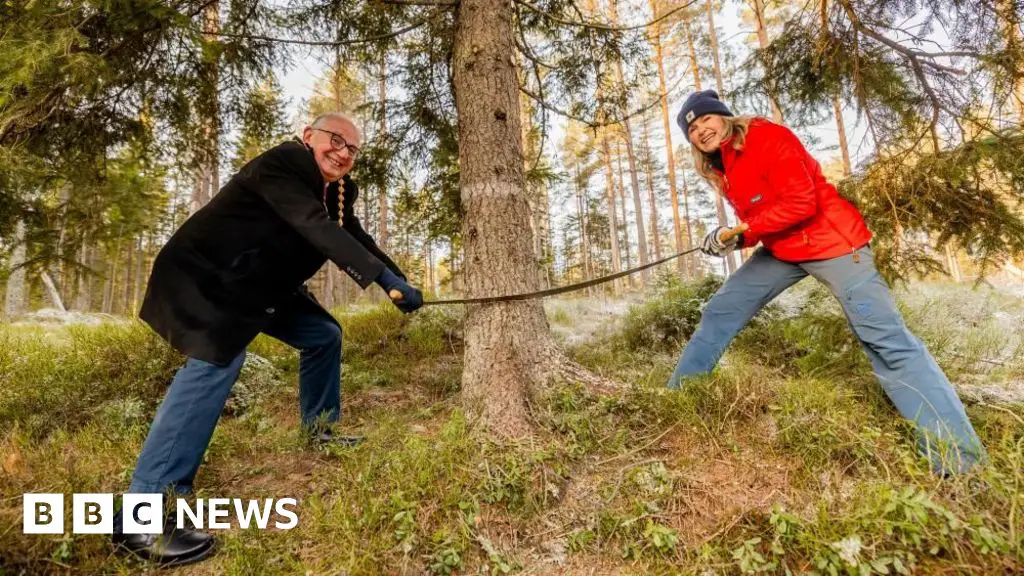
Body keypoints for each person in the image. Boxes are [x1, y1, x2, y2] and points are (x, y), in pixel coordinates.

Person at [111, 112, 423, 566]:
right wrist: (382, 278)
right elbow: (314, 227)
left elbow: (350, 234)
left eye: (353, 149)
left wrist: (395, 278)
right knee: (217, 362)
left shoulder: (338, 191)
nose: (343, 153)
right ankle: (140, 517)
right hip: (206, 277)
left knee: (323, 334)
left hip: (258, 285)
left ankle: (320, 429)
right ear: (308, 136)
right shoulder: (281, 165)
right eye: (335, 140)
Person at [669, 90, 985, 477]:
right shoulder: (725, 167)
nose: (701, 131)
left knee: (886, 342)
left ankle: (959, 461)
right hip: (784, 249)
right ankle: (676, 401)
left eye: (705, 120)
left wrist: (746, 229)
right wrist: (734, 238)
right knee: (720, 311)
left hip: (834, 243)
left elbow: (802, 202)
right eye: (693, 130)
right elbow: (761, 215)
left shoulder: (766, 137)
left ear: (724, 117)